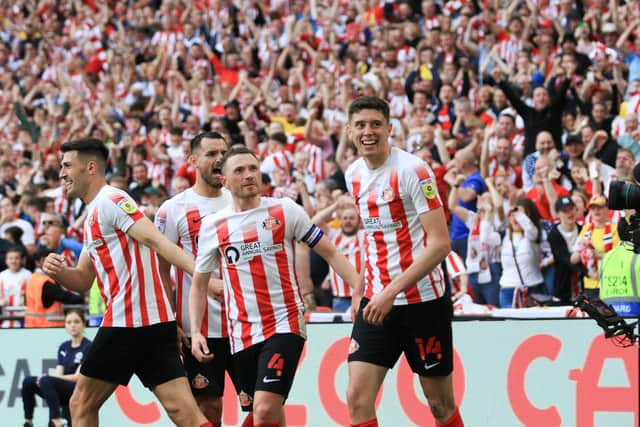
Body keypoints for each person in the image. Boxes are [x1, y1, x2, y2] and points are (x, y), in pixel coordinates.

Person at [42, 138, 213, 427]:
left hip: (128, 320)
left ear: (91, 167)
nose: (61, 173)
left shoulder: (112, 200)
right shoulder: (93, 215)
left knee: (80, 405)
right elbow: (83, 280)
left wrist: (205, 279)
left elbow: (157, 241)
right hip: (155, 323)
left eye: (67, 165)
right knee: (186, 414)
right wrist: (59, 272)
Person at [189, 144, 360, 427]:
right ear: (225, 181)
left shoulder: (285, 210)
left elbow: (329, 251)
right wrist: (196, 332)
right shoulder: (213, 226)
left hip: (284, 323)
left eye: (253, 168)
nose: (248, 175)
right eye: (240, 170)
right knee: (262, 413)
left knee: (266, 408)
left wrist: (358, 288)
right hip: (241, 331)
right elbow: (199, 284)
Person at [343, 96, 461, 427]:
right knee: (357, 397)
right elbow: (371, 235)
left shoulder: (413, 171)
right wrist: (361, 287)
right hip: (376, 300)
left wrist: (390, 291)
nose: (369, 132)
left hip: (422, 302)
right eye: (361, 125)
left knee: (439, 404)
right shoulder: (353, 174)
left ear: (389, 128)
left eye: (376, 124)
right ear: (350, 130)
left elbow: (440, 245)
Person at [155, 132, 234, 426]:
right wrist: (169, 321)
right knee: (208, 407)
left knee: (261, 406)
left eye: (224, 153)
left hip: (245, 324)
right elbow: (161, 270)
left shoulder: (240, 201)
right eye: (211, 153)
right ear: (193, 160)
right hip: (198, 327)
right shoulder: (172, 209)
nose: (219, 160)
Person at [22, 309, 92, 427]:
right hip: (63, 389)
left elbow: (78, 377)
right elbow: (59, 374)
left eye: (76, 322)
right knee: (28, 381)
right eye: (69, 322)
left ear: (83, 324)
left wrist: (49, 379)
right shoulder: (63, 347)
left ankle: (56, 420)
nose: (72, 325)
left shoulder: (88, 346)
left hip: (78, 390)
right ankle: (28, 421)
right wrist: (49, 379)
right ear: (65, 325)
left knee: (46, 380)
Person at [24, 247, 84, 328]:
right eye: (46, 260)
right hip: (48, 326)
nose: (51, 262)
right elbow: (65, 297)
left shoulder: (33, 278)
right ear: (37, 262)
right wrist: (83, 299)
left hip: (32, 325)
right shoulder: (45, 282)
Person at [0, 247, 31, 328]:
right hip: (4, 320)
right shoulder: (2, 275)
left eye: (16, 258)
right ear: (6, 260)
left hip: (23, 319)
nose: (13, 261)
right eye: (10, 258)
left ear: (21, 260)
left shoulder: (28, 275)